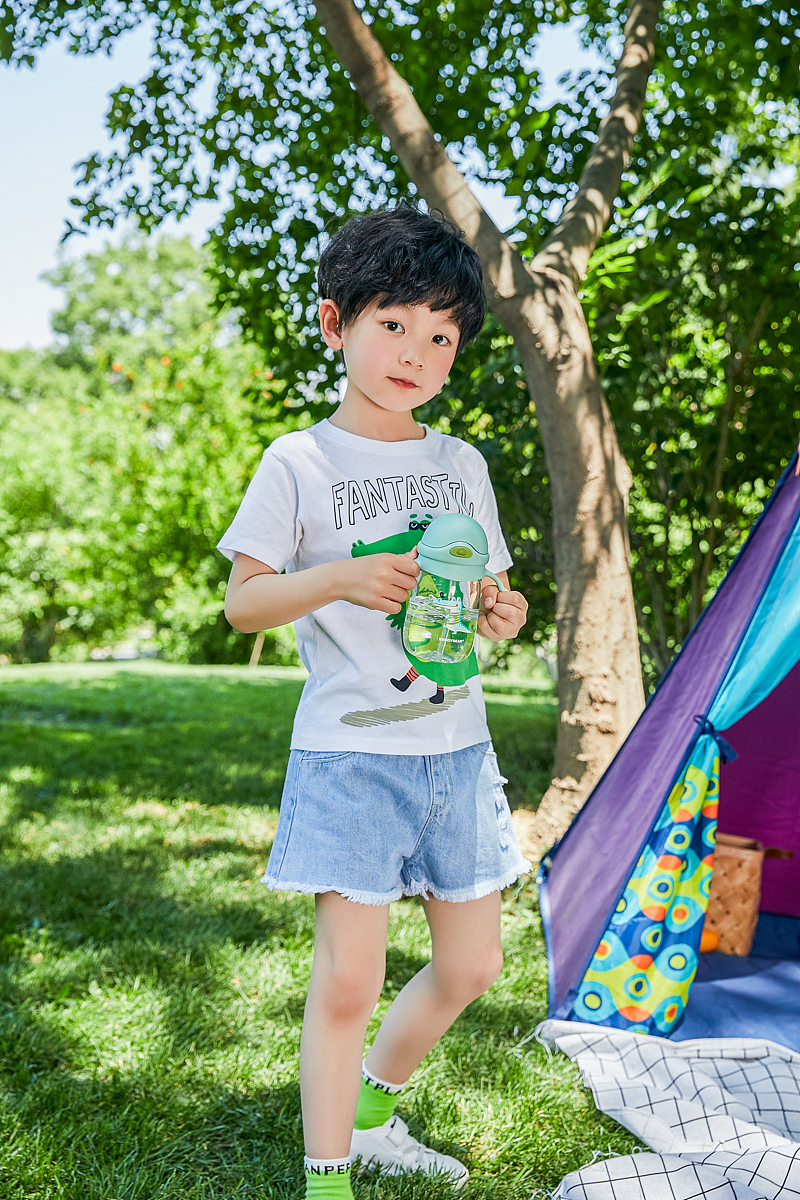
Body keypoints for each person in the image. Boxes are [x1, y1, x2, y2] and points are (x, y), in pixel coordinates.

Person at [219, 203, 530, 1199]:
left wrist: (499, 612)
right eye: (392, 323)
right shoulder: (298, 462)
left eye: (440, 335)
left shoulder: (459, 466)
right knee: (348, 980)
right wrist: (338, 580)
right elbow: (243, 603)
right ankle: (326, 1176)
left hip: (455, 752)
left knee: (472, 964)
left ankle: (372, 1105)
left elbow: (483, 591)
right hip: (350, 755)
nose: (415, 351)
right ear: (334, 325)